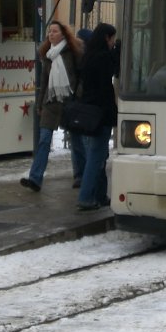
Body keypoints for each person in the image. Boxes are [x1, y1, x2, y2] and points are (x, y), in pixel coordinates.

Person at [21, 20, 82, 192]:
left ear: (63, 33)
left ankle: (80, 175)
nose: (51, 34)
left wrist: (78, 95)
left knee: (76, 140)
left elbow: (80, 76)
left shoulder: (73, 52)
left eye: (54, 31)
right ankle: (35, 178)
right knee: (44, 139)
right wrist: (40, 104)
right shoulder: (47, 55)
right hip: (51, 102)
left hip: (69, 101)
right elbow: (44, 82)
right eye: (49, 32)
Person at [76, 23, 119, 211]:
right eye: (112, 39)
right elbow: (114, 70)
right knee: (96, 156)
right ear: (105, 38)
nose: (112, 43)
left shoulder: (88, 57)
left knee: (99, 155)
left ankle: (100, 195)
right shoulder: (103, 58)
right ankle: (85, 197)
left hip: (88, 113)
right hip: (100, 114)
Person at [67, 27, 93, 189]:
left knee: (81, 140)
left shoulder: (88, 58)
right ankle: (80, 174)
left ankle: (81, 174)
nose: (79, 45)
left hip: (82, 103)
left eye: (81, 42)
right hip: (76, 102)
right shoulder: (71, 56)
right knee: (78, 140)